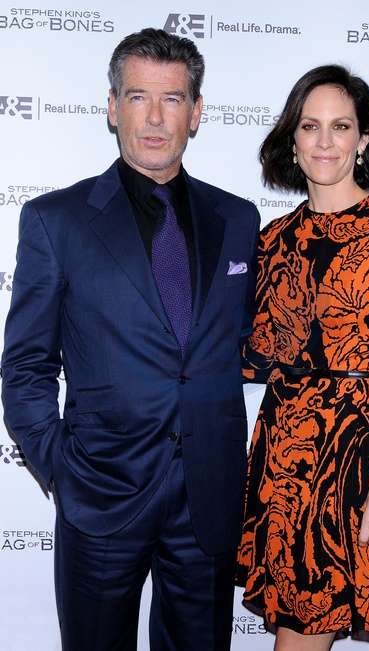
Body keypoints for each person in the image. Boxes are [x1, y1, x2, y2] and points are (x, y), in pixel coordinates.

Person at [1, 27, 260, 651]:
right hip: (101, 494)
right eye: (138, 96)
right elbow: (27, 365)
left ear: (196, 112)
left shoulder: (238, 219)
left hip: (209, 496)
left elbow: (244, 342)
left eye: (172, 99)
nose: (155, 117)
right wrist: (62, 469)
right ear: (113, 107)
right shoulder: (55, 221)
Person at [236, 64, 369, 650]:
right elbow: (257, 354)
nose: (325, 141)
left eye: (341, 126)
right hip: (283, 453)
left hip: (356, 457)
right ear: (293, 140)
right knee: (296, 630)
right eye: (310, 126)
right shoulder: (272, 239)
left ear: (364, 138)